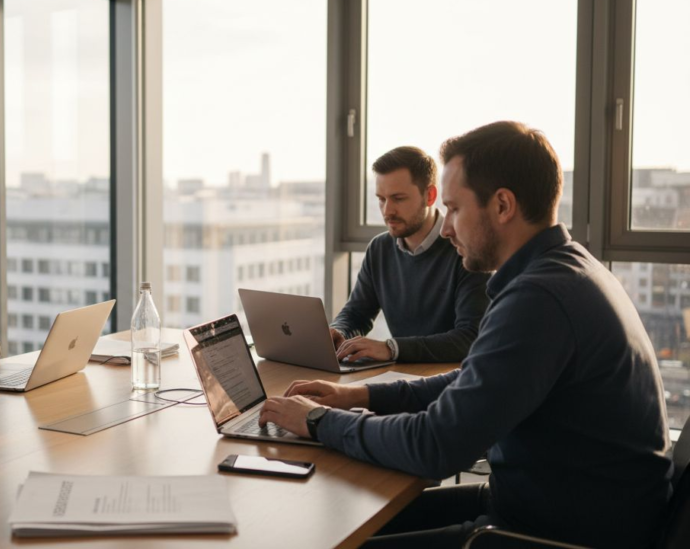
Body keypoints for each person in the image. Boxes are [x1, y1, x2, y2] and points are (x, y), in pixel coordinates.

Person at [259, 122, 672, 548]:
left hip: (559, 534)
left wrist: (317, 421)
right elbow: (474, 380)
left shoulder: (540, 299)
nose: (448, 227)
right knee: (342, 527)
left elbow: (434, 444)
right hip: (547, 505)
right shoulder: (563, 268)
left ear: (503, 205)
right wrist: (360, 397)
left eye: (454, 209)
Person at [331, 146, 489, 364]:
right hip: (400, 377)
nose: (387, 211)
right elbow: (357, 314)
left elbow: (470, 338)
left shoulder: (467, 250)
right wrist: (338, 332)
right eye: (381, 199)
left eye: (398, 198)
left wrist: (392, 348)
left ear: (430, 195)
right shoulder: (379, 248)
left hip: (450, 383)